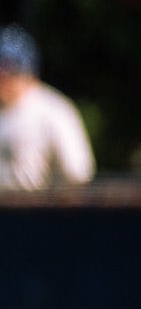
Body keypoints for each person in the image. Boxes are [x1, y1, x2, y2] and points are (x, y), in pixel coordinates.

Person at [0, 24, 95, 190]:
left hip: (36, 211)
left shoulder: (54, 111)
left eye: (9, 72)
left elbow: (78, 173)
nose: (3, 80)